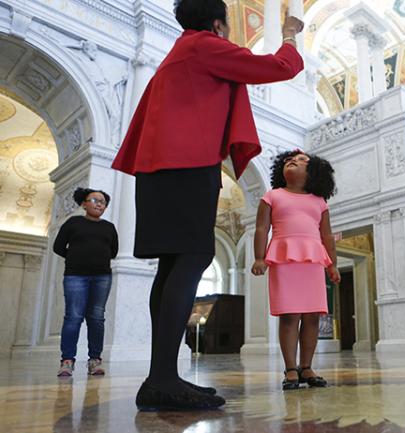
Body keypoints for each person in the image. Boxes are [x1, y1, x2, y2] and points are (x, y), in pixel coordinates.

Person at [111, 0, 305, 411]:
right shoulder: (205, 45)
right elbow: (280, 67)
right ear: (219, 24)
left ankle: (161, 377)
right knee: (194, 256)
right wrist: (289, 34)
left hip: (160, 168)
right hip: (185, 164)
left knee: (173, 265)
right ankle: (162, 377)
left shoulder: (181, 50)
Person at [252, 150, 341, 390]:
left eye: (303, 161)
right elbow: (261, 228)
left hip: (312, 261)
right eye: (290, 159)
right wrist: (259, 257)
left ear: (314, 174)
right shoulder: (272, 196)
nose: (295, 161)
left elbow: (327, 235)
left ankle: (307, 366)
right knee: (289, 316)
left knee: (312, 316)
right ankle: (291, 368)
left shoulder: (319, 202)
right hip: (284, 259)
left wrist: (332, 264)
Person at [53, 188, 118, 377]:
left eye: (103, 202)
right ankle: (67, 361)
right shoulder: (73, 223)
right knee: (73, 317)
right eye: (95, 200)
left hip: (102, 277)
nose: (99, 204)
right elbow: (58, 247)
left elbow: (112, 251)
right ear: (84, 204)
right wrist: (74, 258)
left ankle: (95, 360)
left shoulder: (109, 227)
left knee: (97, 318)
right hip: (75, 276)